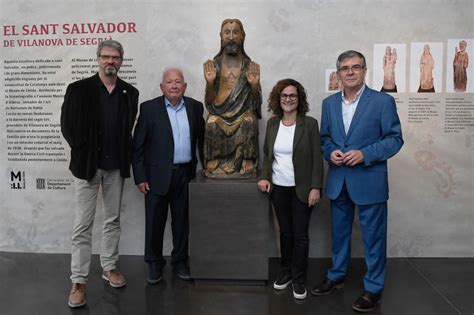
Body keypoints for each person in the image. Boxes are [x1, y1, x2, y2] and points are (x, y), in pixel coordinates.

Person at [312, 50, 403, 312]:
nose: (350, 72)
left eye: (355, 67)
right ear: (338, 73)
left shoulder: (382, 102)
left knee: (374, 237)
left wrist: (364, 154)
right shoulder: (329, 104)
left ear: (364, 71)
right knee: (339, 234)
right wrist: (331, 152)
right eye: (345, 68)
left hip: (369, 180)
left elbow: (394, 139)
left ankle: (374, 287)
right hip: (338, 179)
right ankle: (337, 275)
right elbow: (325, 138)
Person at [61, 40, 139, 308]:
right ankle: (79, 280)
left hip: (115, 167)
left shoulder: (130, 92)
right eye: (105, 56)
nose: (110, 61)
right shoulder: (78, 90)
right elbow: (67, 127)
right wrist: (83, 151)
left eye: (115, 57)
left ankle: (109, 267)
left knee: (112, 220)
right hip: (87, 167)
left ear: (121, 61)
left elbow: (127, 128)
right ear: (97, 59)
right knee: (83, 225)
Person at [132, 68, 204, 284]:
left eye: (178, 82)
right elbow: (138, 147)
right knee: (155, 222)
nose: (174, 86)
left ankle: (180, 261)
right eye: (169, 82)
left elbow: (202, 140)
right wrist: (140, 177)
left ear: (184, 86)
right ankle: (154, 264)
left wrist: (206, 166)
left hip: (185, 175)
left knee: (182, 222)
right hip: (155, 177)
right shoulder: (149, 108)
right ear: (162, 87)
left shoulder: (194, 107)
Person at [258, 79, 323, 300]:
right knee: (285, 233)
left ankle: (299, 279)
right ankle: (285, 272)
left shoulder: (310, 124)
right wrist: (264, 177)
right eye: (284, 95)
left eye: (292, 96)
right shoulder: (273, 123)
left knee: (300, 236)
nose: (288, 99)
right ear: (278, 99)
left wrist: (316, 187)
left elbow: (317, 159)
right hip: (279, 189)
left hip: (303, 190)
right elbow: (268, 154)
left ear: (299, 99)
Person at [203, 18, 262, 178]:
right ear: (221, 36)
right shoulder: (214, 65)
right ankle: (215, 158)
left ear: (242, 36)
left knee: (249, 120)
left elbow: (256, 105)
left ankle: (246, 158)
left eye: (235, 32)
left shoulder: (249, 66)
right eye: (227, 33)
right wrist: (210, 83)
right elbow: (209, 104)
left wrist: (254, 86)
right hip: (220, 114)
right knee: (211, 121)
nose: (231, 37)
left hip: (242, 116)